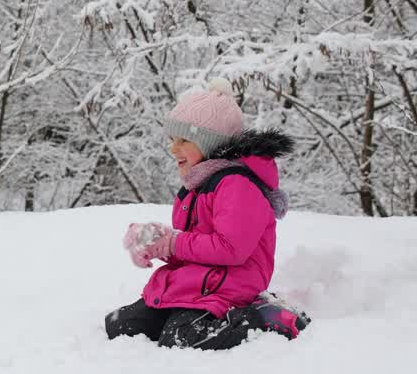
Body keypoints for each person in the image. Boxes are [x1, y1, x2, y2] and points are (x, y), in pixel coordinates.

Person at [105, 79, 309, 350]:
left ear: (210, 143)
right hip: (199, 282)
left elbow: (231, 248)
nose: (173, 148)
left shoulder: (237, 185)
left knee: (181, 336)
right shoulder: (194, 189)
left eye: (183, 140)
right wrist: (157, 241)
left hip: (231, 284)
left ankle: (264, 317)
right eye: (171, 140)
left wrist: (173, 242)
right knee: (122, 325)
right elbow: (193, 246)